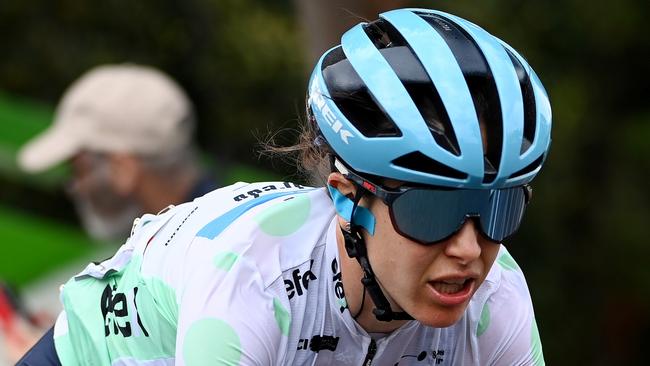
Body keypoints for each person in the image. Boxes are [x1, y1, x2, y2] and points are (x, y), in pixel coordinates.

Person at [18, 8, 550, 365]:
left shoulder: (496, 297)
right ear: (346, 197)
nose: (468, 249)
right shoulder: (253, 281)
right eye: (432, 212)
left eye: (497, 209)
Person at [17, 63, 217, 242]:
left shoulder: (194, 258)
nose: (75, 188)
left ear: (124, 169)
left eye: (78, 171)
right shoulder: (219, 229)